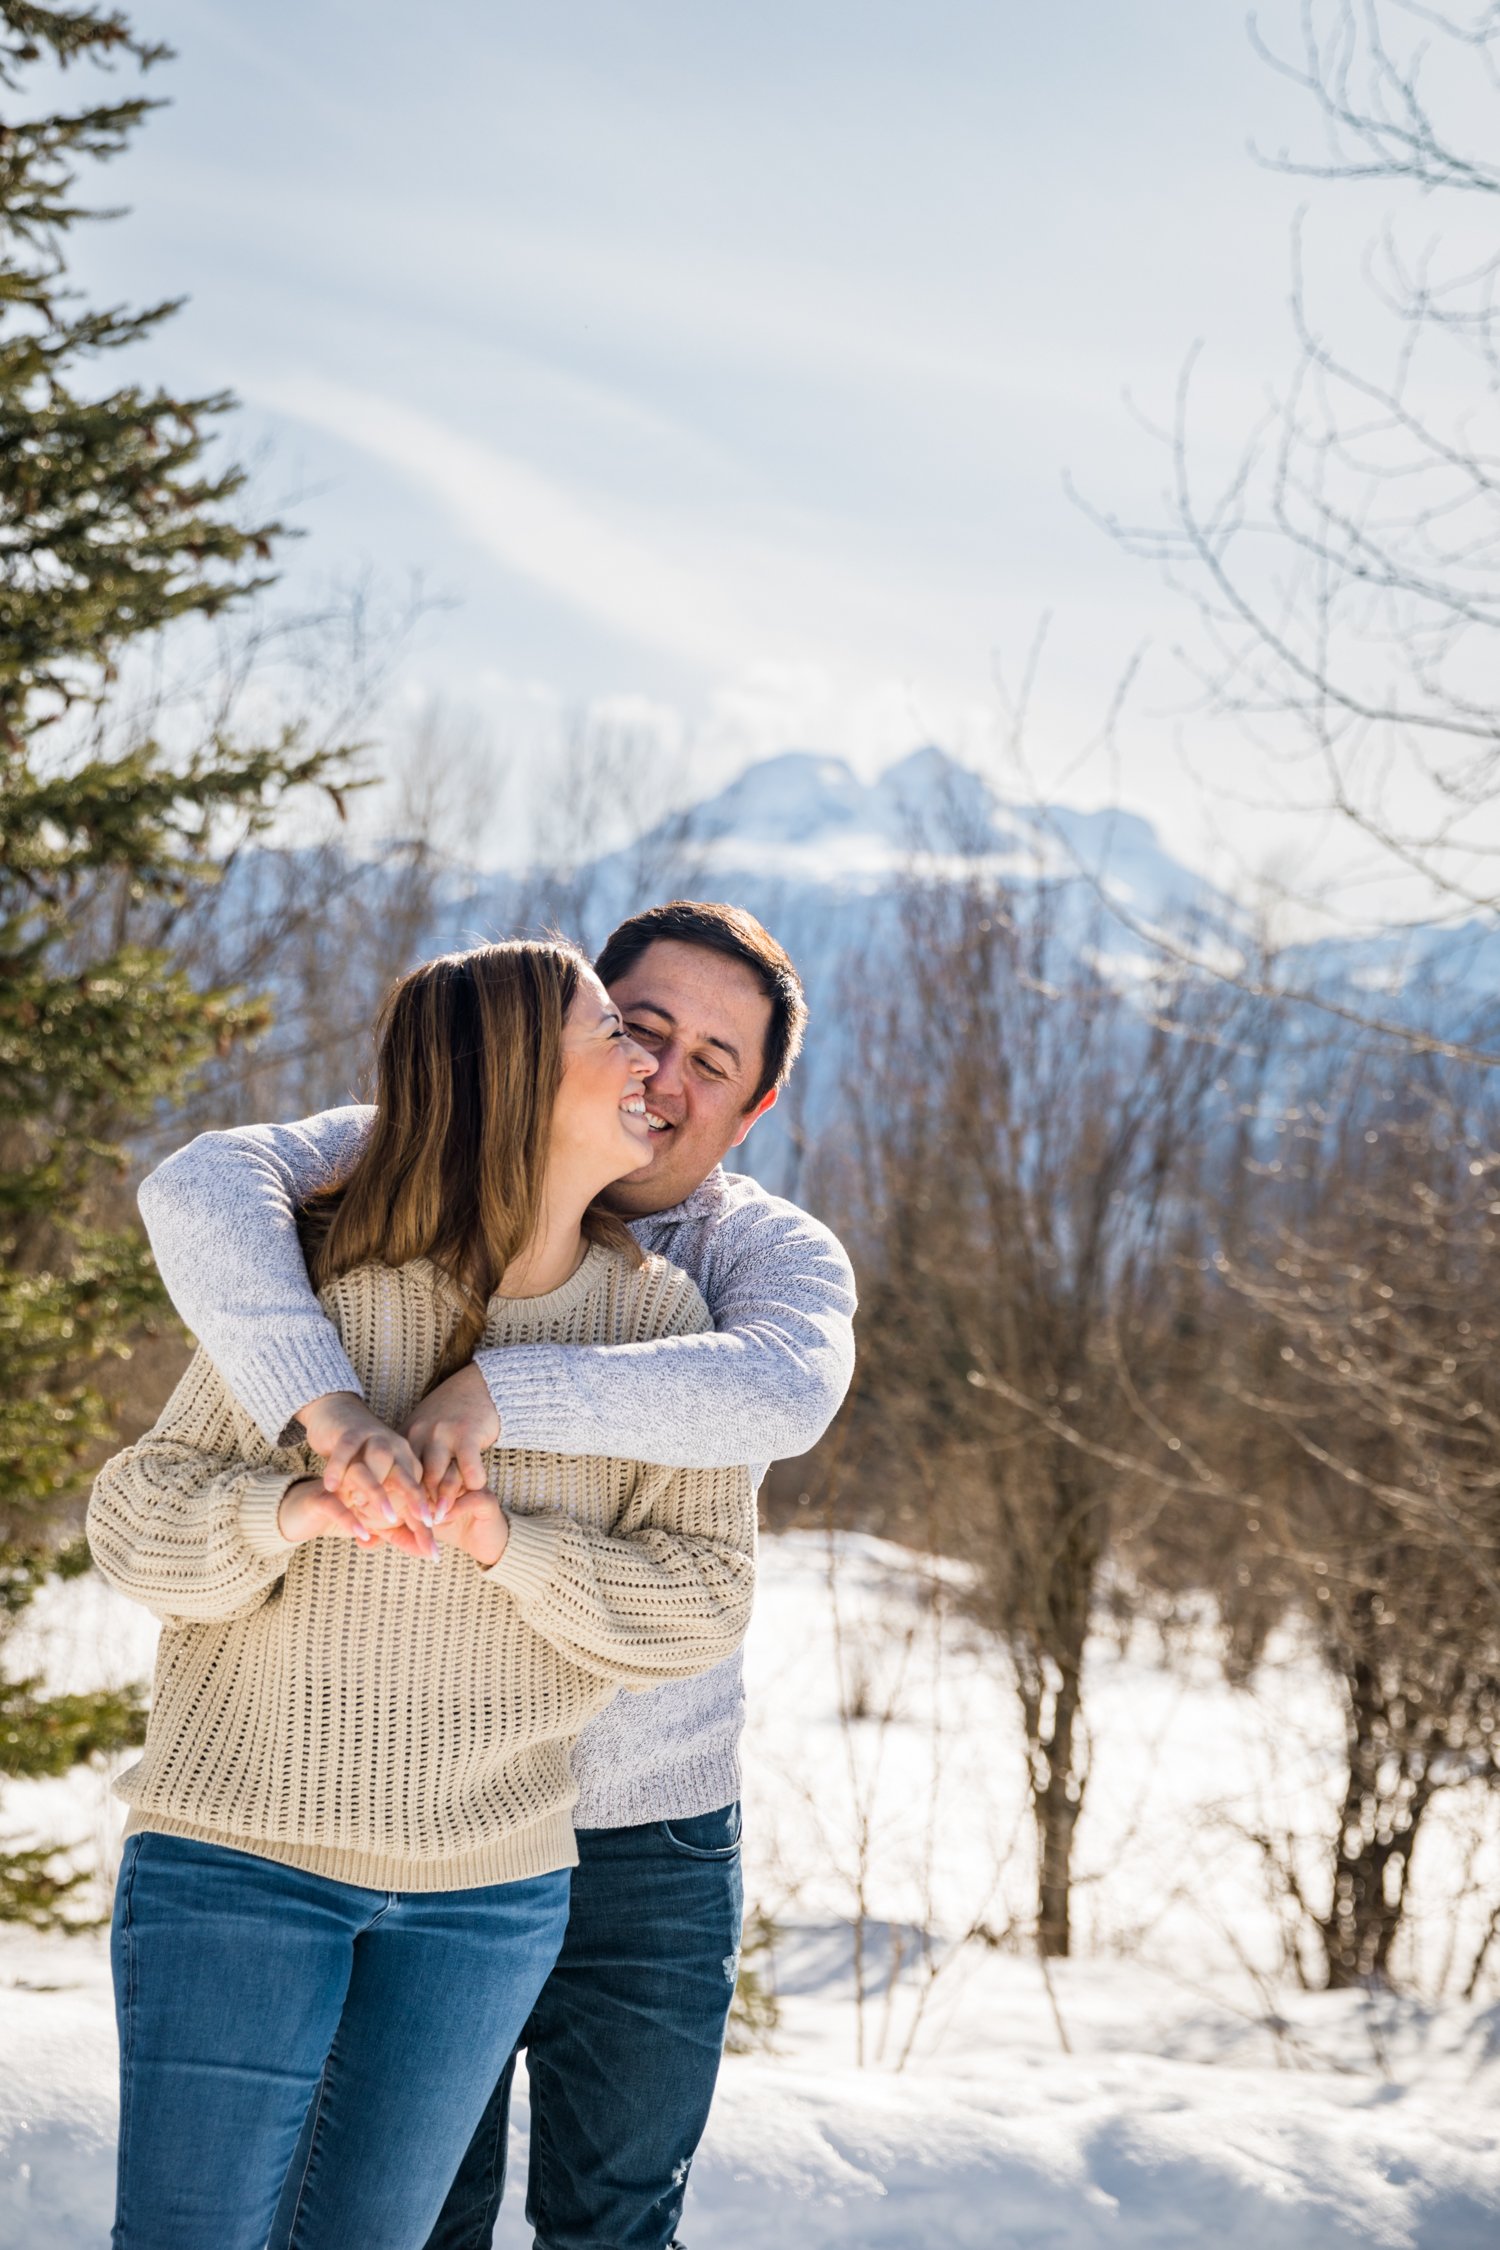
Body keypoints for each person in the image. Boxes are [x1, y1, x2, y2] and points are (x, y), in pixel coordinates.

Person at [137, 899, 857, 2250]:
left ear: (751, 1110)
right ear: (574, 1037)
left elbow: (783, 1390)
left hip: (647, 1831)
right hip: (414, 1824)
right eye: (641, 1030)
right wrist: (323, 1406)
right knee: (412, 2225)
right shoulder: (399, 1184)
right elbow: (197, 1186)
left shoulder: (745, 1261)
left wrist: (502, 1388)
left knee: (614, 2220)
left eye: (715, 1061)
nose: (666, 1075)